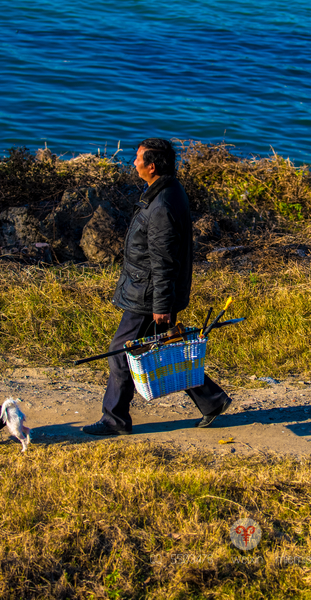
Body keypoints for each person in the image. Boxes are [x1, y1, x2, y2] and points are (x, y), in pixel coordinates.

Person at [82, 138, 232, 436]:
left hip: (148, 296)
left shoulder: (161, 205)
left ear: (151, 166)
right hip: (153, 291)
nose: (133, 163)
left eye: (137, 158)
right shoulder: (169, 190)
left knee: (120, 351)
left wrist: (161, 306)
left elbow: (164, 261)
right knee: (166, 349)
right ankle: (211, 400)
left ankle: (115, 419)